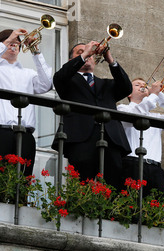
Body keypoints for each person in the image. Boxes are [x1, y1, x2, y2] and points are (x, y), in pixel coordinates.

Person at [52, 41, 132, 191]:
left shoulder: (107, 84)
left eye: (90, 53)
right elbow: (60, 77)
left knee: (113, 185)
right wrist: (84, 54)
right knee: (81, 183)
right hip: (81, 138)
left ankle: (111, 214)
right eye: (80, 51)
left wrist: (110, 59)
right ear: (72, 60)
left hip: (111, 138)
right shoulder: (68, 81)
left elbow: (127, 87)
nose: (88, 54)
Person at [117, 78, 164, 197]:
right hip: (131, 164)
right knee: (129, 204)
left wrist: (160, 95)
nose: (142, 86)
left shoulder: (156, 116)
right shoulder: (122, 108)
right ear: (129, 93)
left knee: (154, 207)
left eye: (144, 85)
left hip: (155, 168)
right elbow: (136, 114)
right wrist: (153, 94)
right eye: (137, 85)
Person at [0, 29, 53, 176]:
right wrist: (10, 38)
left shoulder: (28, 74)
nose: (13, 46)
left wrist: (35, 50)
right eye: (9, 43)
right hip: (1, 132)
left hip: (25, 135)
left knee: (23, 182)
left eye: (17, 44)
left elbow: (46, 84)